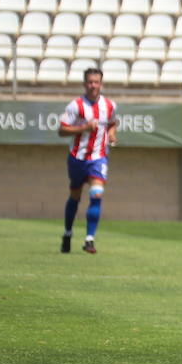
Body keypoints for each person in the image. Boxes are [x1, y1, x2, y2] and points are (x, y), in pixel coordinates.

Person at [58, 67, 117, 254]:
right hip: (77, 157)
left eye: (96, 82)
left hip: (98, 157)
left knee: (97, 194)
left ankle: (89, 239)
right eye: (90, 82)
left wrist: (112, 134)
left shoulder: (109, 105)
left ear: (101, 84)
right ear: (85, 84)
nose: (93, 85)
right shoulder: (75, 106)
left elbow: (113, 122)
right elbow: (61, 130)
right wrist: (83, 128)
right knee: (75, 196)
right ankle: (67, 234)